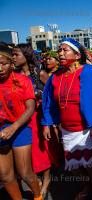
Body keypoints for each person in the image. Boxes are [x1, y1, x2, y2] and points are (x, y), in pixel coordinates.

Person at [41, 38, 92, 200]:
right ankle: (86, 186)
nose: (60, 53)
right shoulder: (55, 77)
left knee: (90, 164)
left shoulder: (89, 73)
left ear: (77, 55)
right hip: (67, 130)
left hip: (87, 128)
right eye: (59, 50)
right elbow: (48, 102)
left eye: (64, 50)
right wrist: (47, 123)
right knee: (74, 165)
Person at [0, 43, 42, 200]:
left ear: (11, 63)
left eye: (3, 64)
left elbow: (30, 108)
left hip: (20, 128)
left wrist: (13, 127)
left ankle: (38, 196)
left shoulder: (23, 80)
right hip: (1, 130)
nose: (0, 68)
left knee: (25, 172)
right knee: (5, 176)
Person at [12, 43, 53, 197]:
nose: (13, 58)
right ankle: (35, 180)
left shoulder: (40, 73)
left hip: (38, 117)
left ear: (26, 55)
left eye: (16, 54)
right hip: (22, 118)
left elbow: (52, 96)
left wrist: (39, 97)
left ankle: (47, 178)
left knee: (41, 149)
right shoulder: (14, 76)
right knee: (29, 153)